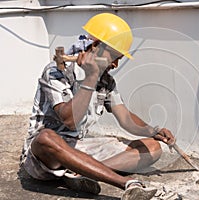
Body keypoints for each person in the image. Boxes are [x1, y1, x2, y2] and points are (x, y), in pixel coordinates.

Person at [20, 13, 175, 200]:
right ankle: (123, 182)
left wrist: (152, 130)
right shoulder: (55, 72)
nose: (116, 64)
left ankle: (82, 172)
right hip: (46, 156)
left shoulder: (106, 81)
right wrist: (90, 77)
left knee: (152, 147)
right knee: (46, 138)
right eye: (115, 56)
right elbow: (69, 120)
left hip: (79, 147)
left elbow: (125, 118)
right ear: (95, 46)